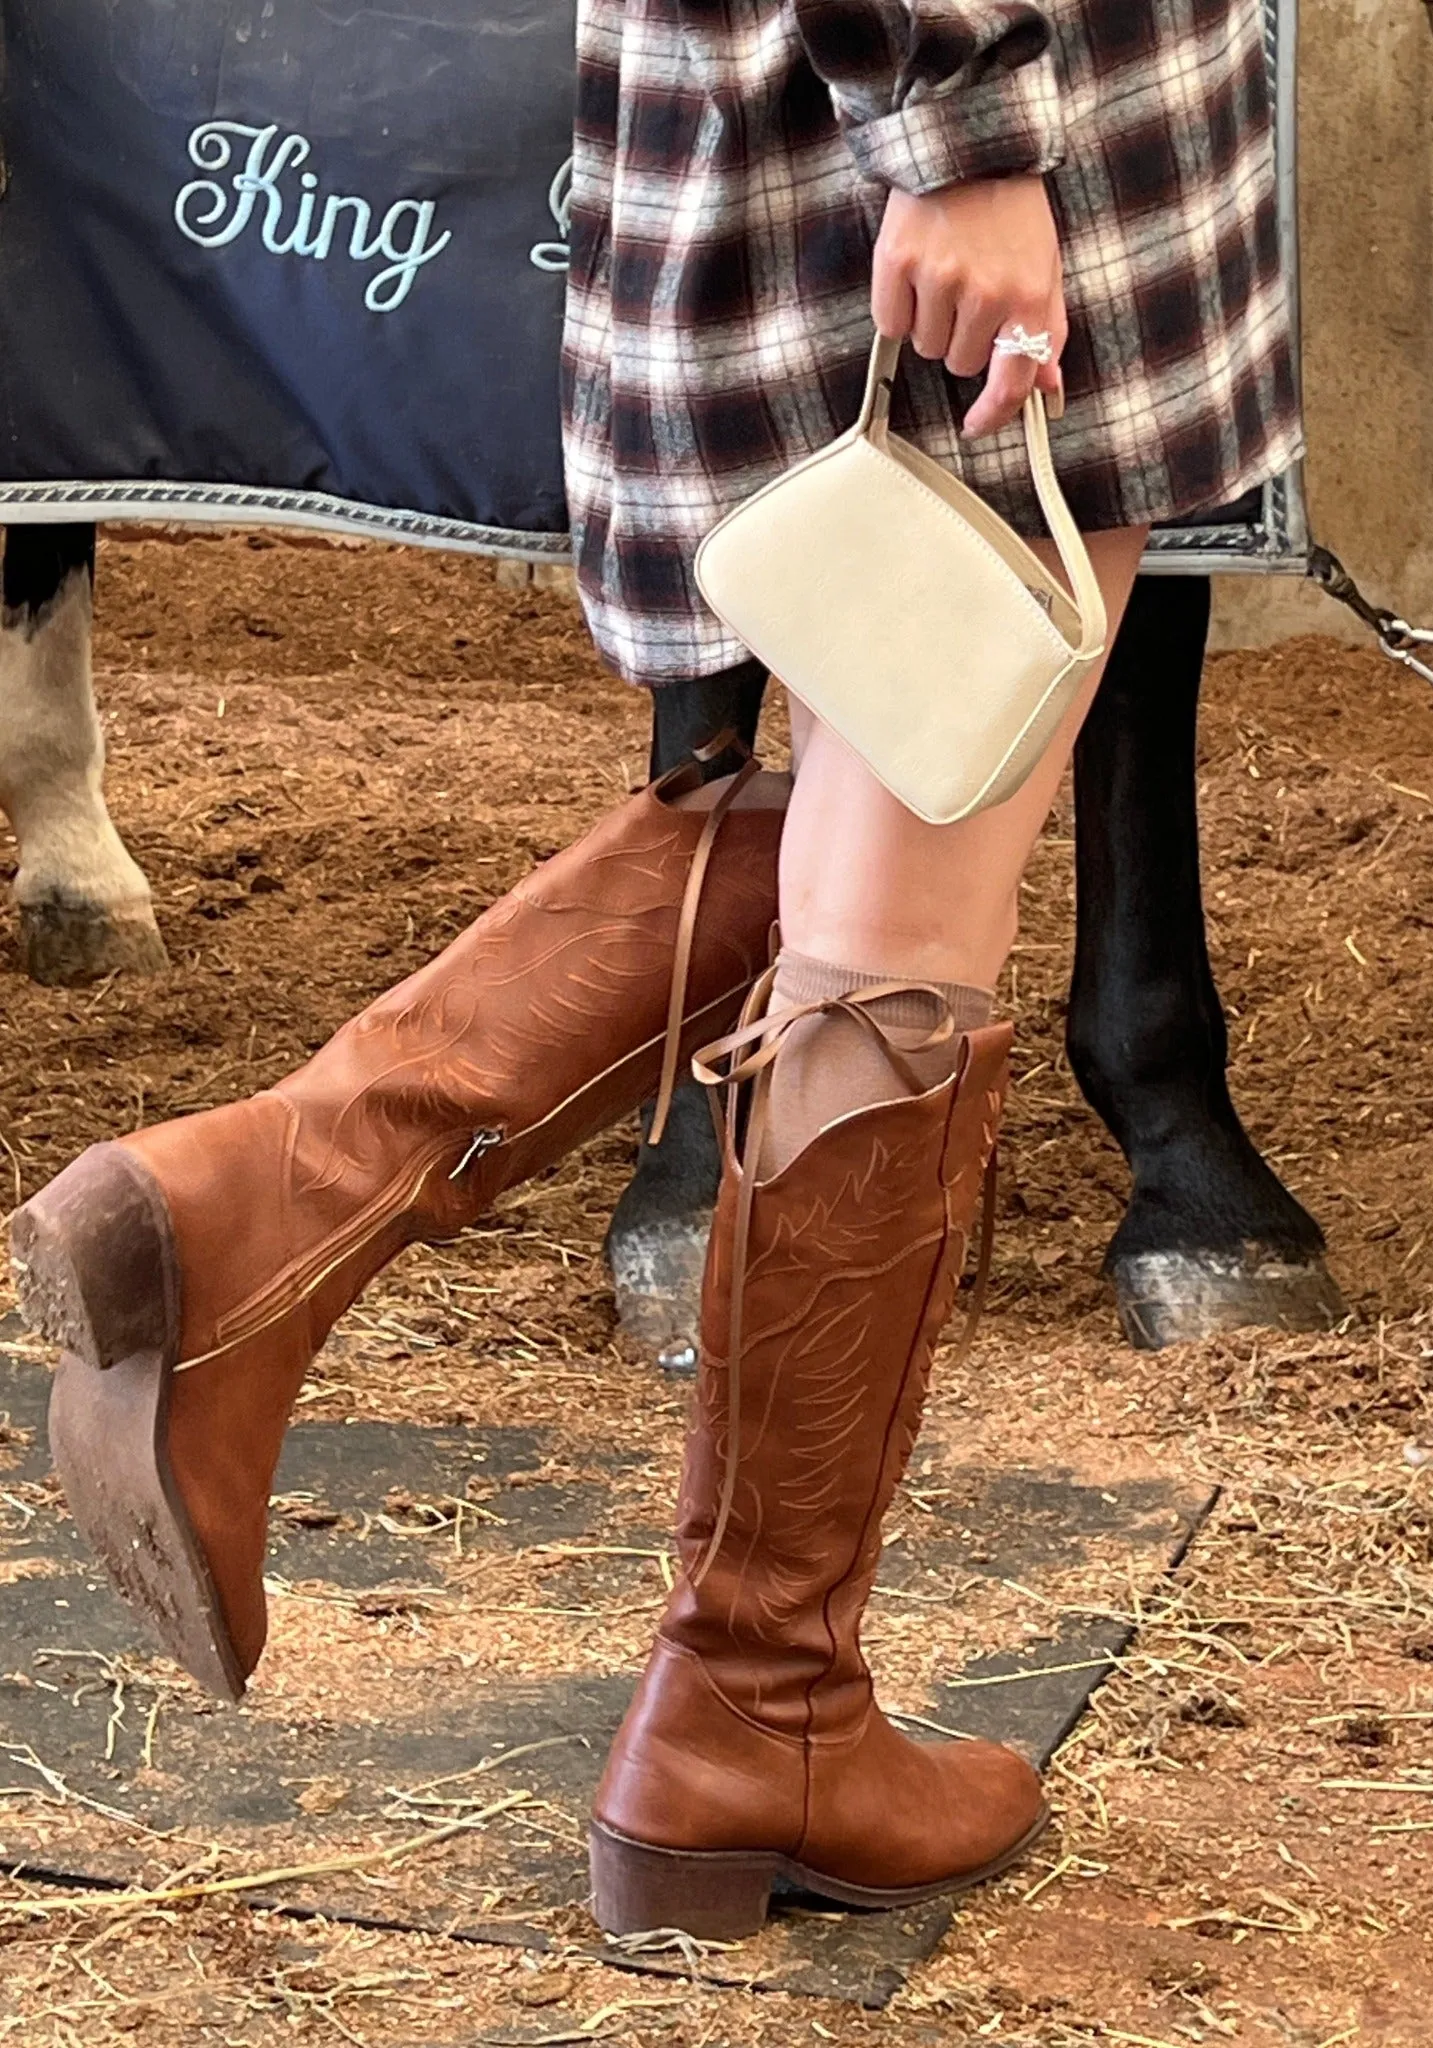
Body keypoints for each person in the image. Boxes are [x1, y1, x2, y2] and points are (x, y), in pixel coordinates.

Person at [12, 0, 1298, 1942]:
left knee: (895, 803)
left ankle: (285, 1191)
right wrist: (959, 121)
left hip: (837, 126)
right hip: (971, 128)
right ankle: (756, 1709)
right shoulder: (963, 127)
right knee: (909, 906)